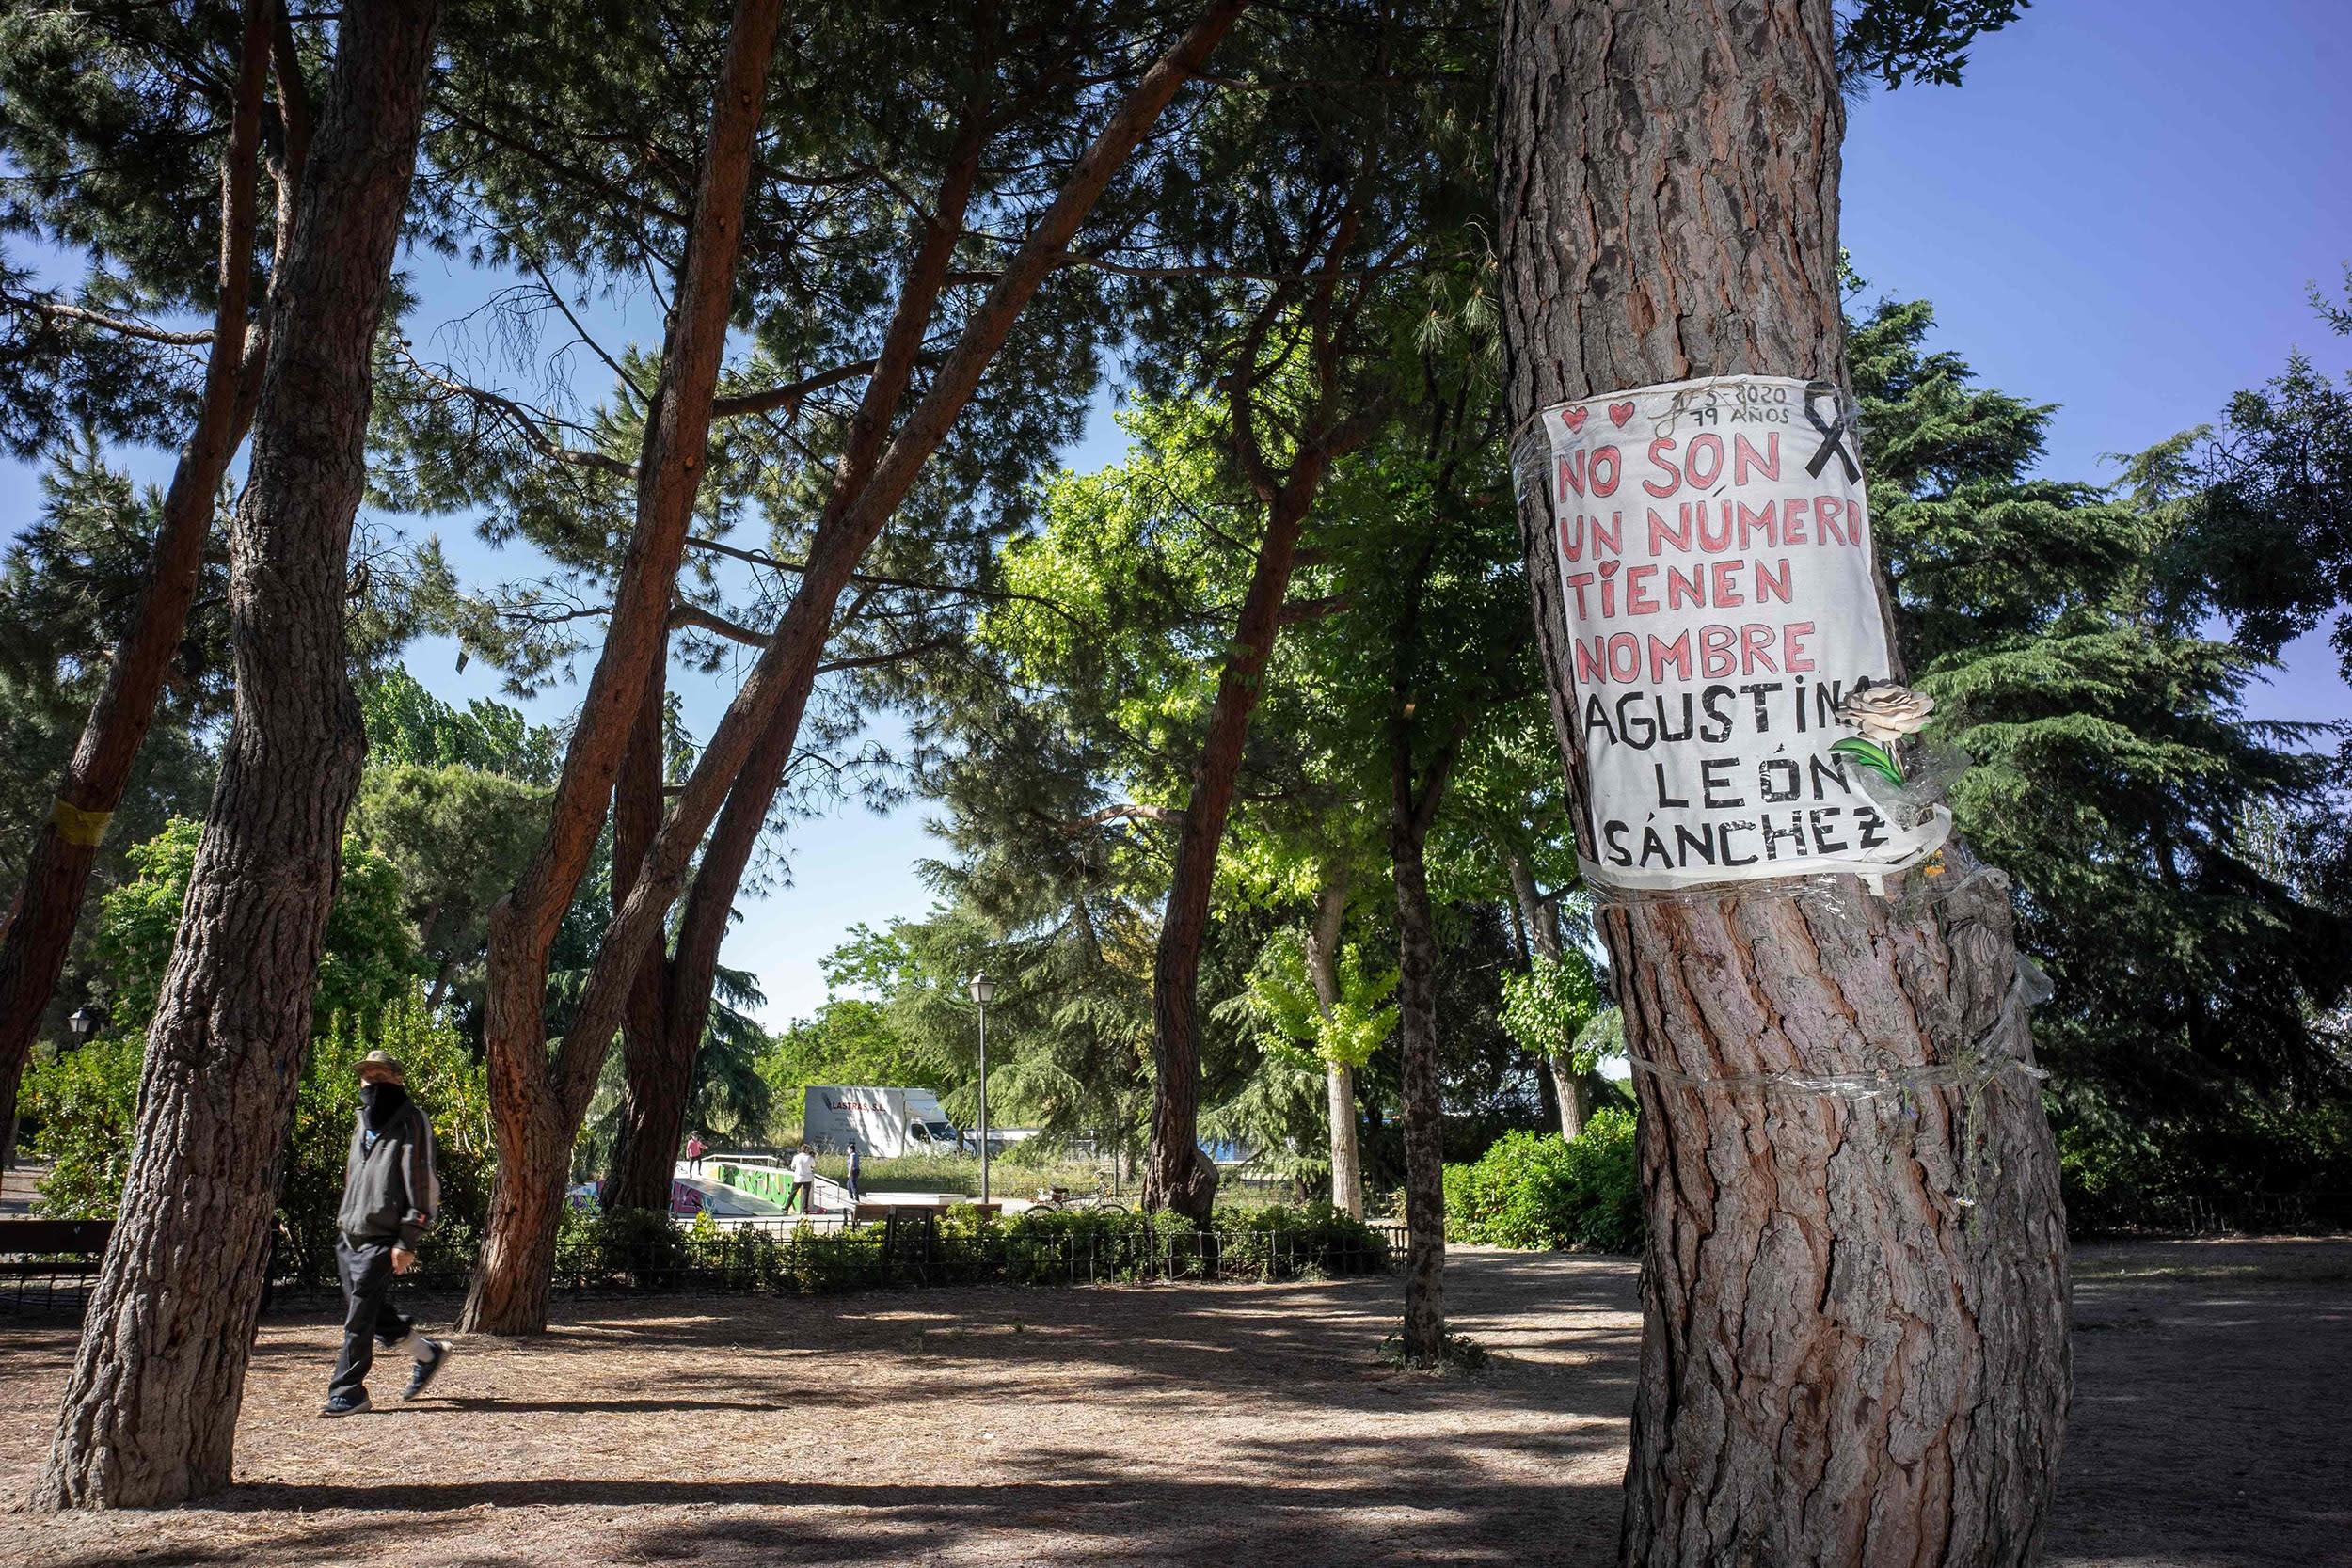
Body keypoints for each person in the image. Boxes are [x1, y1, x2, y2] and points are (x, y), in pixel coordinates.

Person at [321, 1050, 450, 1418]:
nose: (373, 1084)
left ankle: (348, 1393)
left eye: (381, 1077)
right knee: (369, 1312)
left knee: (359, 1318)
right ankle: (428, 1353)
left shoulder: (411, 1120)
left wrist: (407, 1238)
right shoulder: (361, 1122)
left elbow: (422, 1182)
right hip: (350, 1233)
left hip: (383, 1236)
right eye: (367, 1077)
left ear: (397, 1080)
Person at [787, 1142, 817, 1213]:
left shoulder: (796, 1157)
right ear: (807, 1150)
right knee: (806, 1194)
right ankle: (805, 1210)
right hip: (807, 1178)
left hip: (798, 1178)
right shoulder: (810, 1158)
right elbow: (814, 1165)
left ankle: (786, 1207)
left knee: (793, 1193)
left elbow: (792, 1167)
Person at [843, 1140, 862, 1204]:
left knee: (853, 1185)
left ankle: (857, 1199)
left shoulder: (852, 1155)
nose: (847, 1150)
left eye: (848, 1149)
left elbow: (852, 1164)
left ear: (851, 1149)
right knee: (848, 1184)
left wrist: (849, 1172)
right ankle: (851, 1197)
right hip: (855, 1170)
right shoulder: (855, 1154)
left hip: (853, 1171)